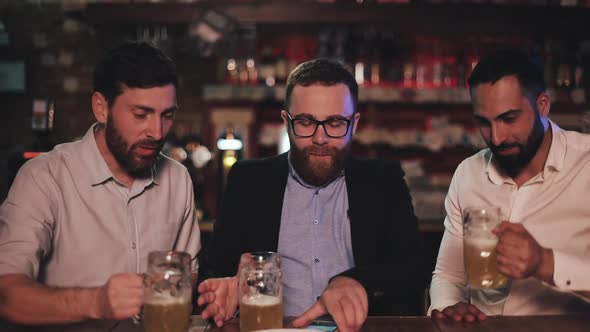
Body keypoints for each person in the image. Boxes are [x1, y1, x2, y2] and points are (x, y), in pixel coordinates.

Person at [197, 58, 424, 332]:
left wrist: (358, 281)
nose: (320, 138)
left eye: (336, 122)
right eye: (305, 122)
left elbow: (414, 268)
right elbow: (214, 270)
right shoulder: (249, 180)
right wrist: (224, 289)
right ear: (286, 122)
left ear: (355, 123)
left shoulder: (383, 180)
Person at [0, 41, 201, 331]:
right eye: (141, 114)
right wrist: (96, 302)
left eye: (167, 115)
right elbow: (6, 294)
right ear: (101, 108)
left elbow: (186, 276)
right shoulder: (44, 177)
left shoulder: (178, 179)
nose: (156, 133)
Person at [429, 48, 590, 322]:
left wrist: (545, 263)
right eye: (483, 122)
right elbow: (448, 276)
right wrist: (448, 306)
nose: (497, 137)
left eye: (509, 118)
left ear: (542, 106)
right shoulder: (468, 174)